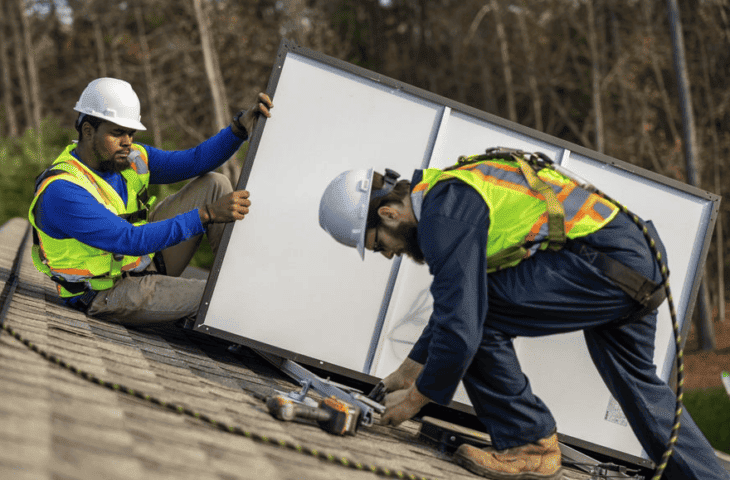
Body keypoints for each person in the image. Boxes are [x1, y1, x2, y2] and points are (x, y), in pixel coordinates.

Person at [318, 148, 729, 480]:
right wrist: (405, 373)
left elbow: (463, 324)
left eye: (378, 245)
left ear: (388, 213)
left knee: (477, 318)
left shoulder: (443, 214)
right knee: (640, 387)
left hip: (604, 261)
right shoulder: (450, 193)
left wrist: (414, 401)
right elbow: (459, 301)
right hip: (631, 256)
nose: (388, 254)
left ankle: (530, 441)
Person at [29, 77, 272, 326]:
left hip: (145, 263)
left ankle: (249, 284)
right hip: (106, 292)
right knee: (218, 296)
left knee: (215, 184)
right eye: (117, 133)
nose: (127, 142)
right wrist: (206, 214)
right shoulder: (63, 190)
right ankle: (246, 304)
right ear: (88, 130)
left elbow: (195, 161)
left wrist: (238, 129)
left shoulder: (130, 159)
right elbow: (129, 240)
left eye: (131, 133)